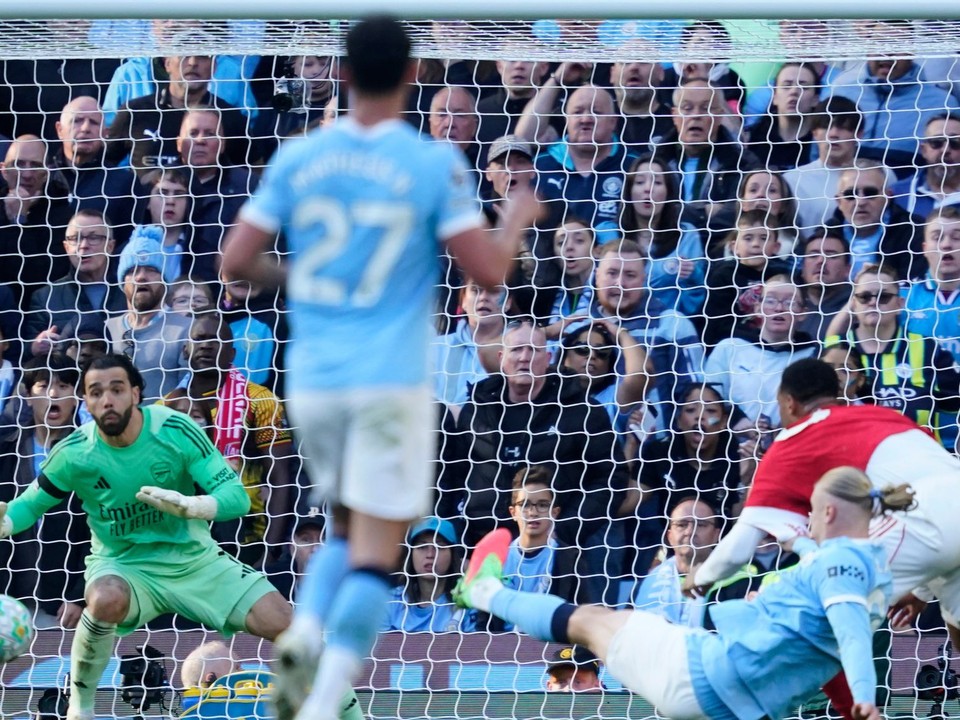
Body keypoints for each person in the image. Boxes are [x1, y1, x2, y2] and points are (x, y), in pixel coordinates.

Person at [219, 16, 540, 720]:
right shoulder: (432, 163)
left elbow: (235, 261)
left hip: (314, 378)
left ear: (340, 73)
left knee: (342, 529)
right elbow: (489, 271)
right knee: (376, 551)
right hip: (389, 378)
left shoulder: (301, 156)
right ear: (414, 75)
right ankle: (322, 689)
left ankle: (305, 631)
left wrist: (308, 282)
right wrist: (517, 215)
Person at [456, 467, 912, 720]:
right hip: (738, 708)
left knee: (590, 621)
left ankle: (486, 592)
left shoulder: (839, 565)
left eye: (811, 511)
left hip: (705, 672)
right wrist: (848, 707)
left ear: (828, 512)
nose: (808, 520)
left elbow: (852, 638)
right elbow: (832, 646)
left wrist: (864, 701)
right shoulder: (874, 572)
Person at [0, 353, 291, 720]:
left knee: (287, 626)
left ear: (136, 393)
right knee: (104, 597)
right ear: (86, 401)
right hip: (124, 565)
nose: (107, 399)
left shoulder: (175, 429)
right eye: (96, 392)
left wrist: (194, 506)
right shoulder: (73, 453)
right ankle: (80, 708)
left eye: (117, 389)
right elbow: (28, 506)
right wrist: (6, 522)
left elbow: (235, 498)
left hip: (195, 561)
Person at [686, 357, 960, 654]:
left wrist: (700, 577)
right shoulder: (885, 416)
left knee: (816, 613)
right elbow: (942, 500)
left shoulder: (790, 443)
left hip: (920, 525)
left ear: (788, 403)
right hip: (944, 511)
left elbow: (739, 548)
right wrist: (920, 589)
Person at [174, 313, 295, 564]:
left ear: (232, 353)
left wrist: (270, 550)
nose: (207, 345)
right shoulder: (167, 408)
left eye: (216, 340)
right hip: (184, 540)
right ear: (185, 349)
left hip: (248, 539)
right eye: (199, 338)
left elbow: (280, 477)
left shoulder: (261, 400)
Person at [0, 354, 89, 628]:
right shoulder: (6, 452)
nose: (53, 394)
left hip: (65, 605)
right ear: (28, 396)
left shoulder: (92, 455)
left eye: (63, 386)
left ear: (77, 396)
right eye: (43, 385)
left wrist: (80, 595)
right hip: (9, 601)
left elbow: (99, 534)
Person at [825, 263, 960, 443]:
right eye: (864, 297)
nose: (873, 302)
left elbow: (954, 406)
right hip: (851, 457)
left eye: (884, 296)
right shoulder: (834, 350)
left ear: (899, 304)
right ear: (853, 303)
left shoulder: (928, 349)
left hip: (920, 457)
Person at [633, 497, 757, 628]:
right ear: (669, 536)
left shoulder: (743, 579)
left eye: (701, 525)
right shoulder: (649, 579)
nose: (690, 532)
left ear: (716, 535)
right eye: (681, 525)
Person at [25, 209, 127, 360]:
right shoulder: (45, 297)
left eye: (93, 237)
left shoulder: (129, 291)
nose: (83, 245)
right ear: (66, 247)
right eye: (75, 238)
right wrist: (34, 347)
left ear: (110, 246)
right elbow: (24, 352)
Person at [105, 232, 191, 401]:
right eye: (132, 270)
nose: (141, 277)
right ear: (122, 281)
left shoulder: (188, 330)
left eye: (151, 270)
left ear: (164, 280)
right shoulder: (105, 329)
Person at [51, 96, 143, 245]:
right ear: (60, 130)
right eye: (77, 120)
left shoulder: (125, 184)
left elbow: (128, 244)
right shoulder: (43, 177)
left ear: (105, 133)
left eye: (93, 122)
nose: (85, 128)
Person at [384, 516, 475, 632]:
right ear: (410, 554)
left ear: (452, 555)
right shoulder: (391, 600)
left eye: (439, 547)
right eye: (422, 547)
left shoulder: (466, 602)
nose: (430, 555)